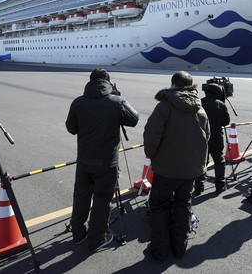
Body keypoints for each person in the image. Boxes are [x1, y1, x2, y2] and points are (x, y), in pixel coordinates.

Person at [65, 68, 139, 251]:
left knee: (81, 197)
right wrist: (118, 97)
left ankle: (78, 234)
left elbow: (71, 128)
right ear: (108, 83)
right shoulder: (116, 101)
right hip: (107, 163)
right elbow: (134, 119)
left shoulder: (78, 102)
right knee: (102, 200)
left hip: (83, 161)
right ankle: (96, 238)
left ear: (90, 82)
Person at [143, 71, 209, 261]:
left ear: (172, 85)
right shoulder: (200, 108)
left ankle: (159, 250)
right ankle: (179, 248)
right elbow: (207, 138)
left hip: (166, 169)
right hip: (191, 171)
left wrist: (153, 156)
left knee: (159, 207)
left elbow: (151, 136)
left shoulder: (164, 107)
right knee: (183, 206)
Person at [194, 83, 230, 196]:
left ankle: (198, 187)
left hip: (200, 137)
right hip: (215, 137)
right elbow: (226, 122)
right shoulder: (220, 104)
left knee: (201, 162)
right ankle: (220, 185)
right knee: (219, 161)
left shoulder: (199, 102)